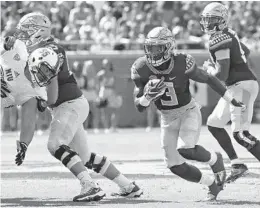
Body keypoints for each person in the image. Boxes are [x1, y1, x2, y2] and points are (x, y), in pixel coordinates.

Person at [16, 12, 142, 202]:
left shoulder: (50, 50)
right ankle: (128, 186)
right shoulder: (43, 49)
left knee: (55, 145)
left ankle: (90, 185)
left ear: (38, 33)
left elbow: (52, 96)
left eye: (26, 33)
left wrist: (42, 101)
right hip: (70, 105)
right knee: (85, 158)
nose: (23, 38)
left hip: (68, 104)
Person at [131, 26, 246, 201]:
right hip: (166, 117)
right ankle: (211, 184)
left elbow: (208, 78)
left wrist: (230, 98)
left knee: (186, 149)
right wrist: (147, 97)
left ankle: (215, 159)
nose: (153, 53)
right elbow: (139, 106)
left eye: (158, 48)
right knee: (174, 165)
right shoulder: (141, 67)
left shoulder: (182, 62)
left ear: (169, 47)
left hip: (187, 112)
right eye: (150, 48)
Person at [200, 2, 260, 183]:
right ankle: (236, 163)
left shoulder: (219, 38)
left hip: (240, 85)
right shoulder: (228, 34)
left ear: (222, 20)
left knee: (241, 134)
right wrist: (237, 59)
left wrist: (210, 70)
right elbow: (246, 51)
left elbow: (222, 74)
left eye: (213, 20)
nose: (208, 24)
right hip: (237, 85)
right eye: (207, 20)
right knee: (214, 123)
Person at [0, 36, 47, 166]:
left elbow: (29, 119)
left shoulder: (40, 89)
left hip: (11, 97)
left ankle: (24, 143)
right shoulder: (19, 49)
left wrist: (24, 144)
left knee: (31, 103)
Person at [96, 59, 123, 133]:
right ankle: (106, 128)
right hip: (103, 91)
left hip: (112, 91)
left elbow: (116, 84)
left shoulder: (113, 73)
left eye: (107, 64)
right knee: (104, 111)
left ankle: (113, 127)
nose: (106, 66)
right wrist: (98, 95)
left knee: (115, 109)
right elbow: (98, 85)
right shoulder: (100, 74)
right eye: (105, 64)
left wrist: (116, 93)